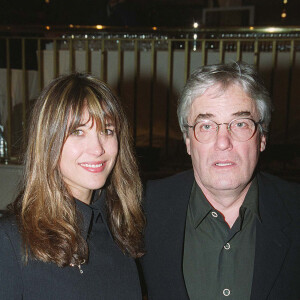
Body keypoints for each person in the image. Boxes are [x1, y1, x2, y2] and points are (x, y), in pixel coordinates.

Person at [141, 62, 300, 300]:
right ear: (187, 141)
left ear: (263, 138)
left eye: (240, 124)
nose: (223, 142)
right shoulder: (142, 210)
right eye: (206, 126)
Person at [0, 73, 145, 299]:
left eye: (107, 130)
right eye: (78, 132)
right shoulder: (10, 242)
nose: (97, 149)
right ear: (48, 141)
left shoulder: (120, 231)